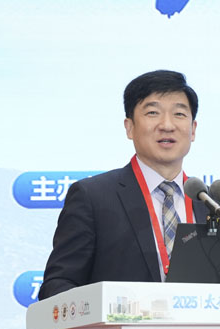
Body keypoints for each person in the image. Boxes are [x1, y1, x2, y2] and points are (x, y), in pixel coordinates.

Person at [38, 70, 210, 299]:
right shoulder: (93, 197)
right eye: (153, 113)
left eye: (179, 114)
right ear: (129, 127)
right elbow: (58, 284)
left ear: (193, 130)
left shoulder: (215, 205)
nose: (167, 125)